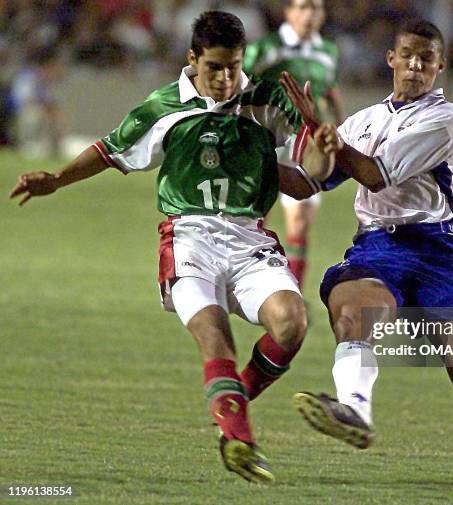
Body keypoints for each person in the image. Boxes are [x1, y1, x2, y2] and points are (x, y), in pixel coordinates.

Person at [9, 11, 331, 485]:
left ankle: (229, 406)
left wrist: (321, 136)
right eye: (215, 68)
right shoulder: (164, 107)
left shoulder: (267, 99)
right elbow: (109, 150)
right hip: (188, 238)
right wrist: (57, 180)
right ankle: (240, 439)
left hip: (249, 238)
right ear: (192, 59)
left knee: (293, 323)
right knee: (213, 335)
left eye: (234, 67)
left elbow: (310, 179)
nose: (225, 79)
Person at [281, 18, 453, 489]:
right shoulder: (364, 120)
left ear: (439, 67)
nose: (416, 65)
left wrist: (329, 138)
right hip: (378, 247)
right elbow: (306, 183)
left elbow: (376, 174)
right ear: (392, 59)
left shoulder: (445, 121)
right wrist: (256, 160)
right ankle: (355, 412)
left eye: (427, 58)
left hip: (436, 252)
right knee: (355, 315)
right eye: (408, 55)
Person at [243, 0, 344, 289]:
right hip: (268, 141)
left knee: (300, 222)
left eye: (315, 8)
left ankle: (292, 293)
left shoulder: (328, 52)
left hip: (308, 144)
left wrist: (342, 126)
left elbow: (329, 91)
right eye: (302, 7)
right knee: (255, 218)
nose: (309, 14)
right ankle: (252, 285)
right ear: (288, 12)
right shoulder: (264, 48)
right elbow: (242, 85)